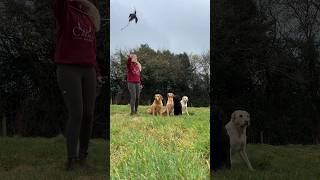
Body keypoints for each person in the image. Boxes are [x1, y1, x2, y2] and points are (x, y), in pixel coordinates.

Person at [54, 0, 103, 170]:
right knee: (77, 113)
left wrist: (97, 74)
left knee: (88, 114)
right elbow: (59, 5)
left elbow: (92, 50)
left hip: (88, 70)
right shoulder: (66, 11)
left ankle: (83, 157)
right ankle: (71, 160)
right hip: (68, 69)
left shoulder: (89, 18)